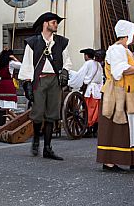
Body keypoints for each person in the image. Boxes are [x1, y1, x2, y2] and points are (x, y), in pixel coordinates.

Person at [18, 12, 72, 161]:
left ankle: (48, 148)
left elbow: (67, 61)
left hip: (55, 80)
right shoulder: (33, 42)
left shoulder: (61, 42)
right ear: (45, 23)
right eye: (54, 22)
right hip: (39, 80)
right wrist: (27, 83)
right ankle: (36, 140)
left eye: (56, 23)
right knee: (37, 114)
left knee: (52, 114)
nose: (56, 25)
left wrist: (65, 71)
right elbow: (27, 63)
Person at [97, 20, 134, 173]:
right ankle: (110, 161)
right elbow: (120, 70)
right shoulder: (116, 49)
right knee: (117, 127)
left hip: (129, 93)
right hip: (118, 94)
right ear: (127, 34)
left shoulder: (126, 50)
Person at [68, 48, 103, 137]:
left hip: (90, 90)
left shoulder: (88, 64)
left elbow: (80, 74)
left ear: (86, 56)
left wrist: (71, 77)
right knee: (96, 110)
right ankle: (95, 129)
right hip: (98, 90)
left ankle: (89, 129)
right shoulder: (99, 65)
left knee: (89, 109)